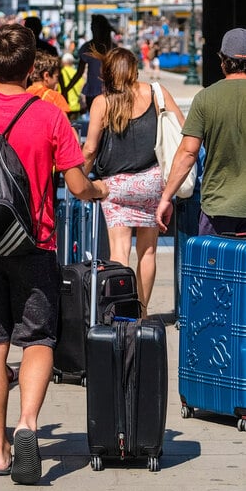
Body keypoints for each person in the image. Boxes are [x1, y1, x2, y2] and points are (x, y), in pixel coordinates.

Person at [0, 24, 107, 485]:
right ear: (32, 66)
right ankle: (28, 422)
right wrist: (97, 189)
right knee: (38, 338)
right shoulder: (49, 113)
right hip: (36, 241)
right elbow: (76, 185)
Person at [155, 27, 246, 236]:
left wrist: (166, 198)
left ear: (223, 60)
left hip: (216, 208)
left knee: (214, 267)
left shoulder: (206, 98)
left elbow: (188, 153)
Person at [82, 47, 185, 318]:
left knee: (119, 250)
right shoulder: (156, 93)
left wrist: (80, 179)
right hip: (152, 183)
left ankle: (120, 312)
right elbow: (182, 128)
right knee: (148, 251)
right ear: (134, 69)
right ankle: (142, 312)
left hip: (115, 186)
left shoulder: (102, 103)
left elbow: (91, 149)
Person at [71, 14, 115, 111]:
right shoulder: (112, 48)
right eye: (91, 27)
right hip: (100, 92)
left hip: (107, 92)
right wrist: (67, 88)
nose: (92, 29)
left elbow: (79, 73)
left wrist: (67, 88)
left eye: (93, 27)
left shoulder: (89, 47)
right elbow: (79, 72)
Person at [58, 52, 85, 120]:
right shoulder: (77, 73)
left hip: (63, 105)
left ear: (63, 62)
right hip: (76, 107)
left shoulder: (60, 73)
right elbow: (82, 87)